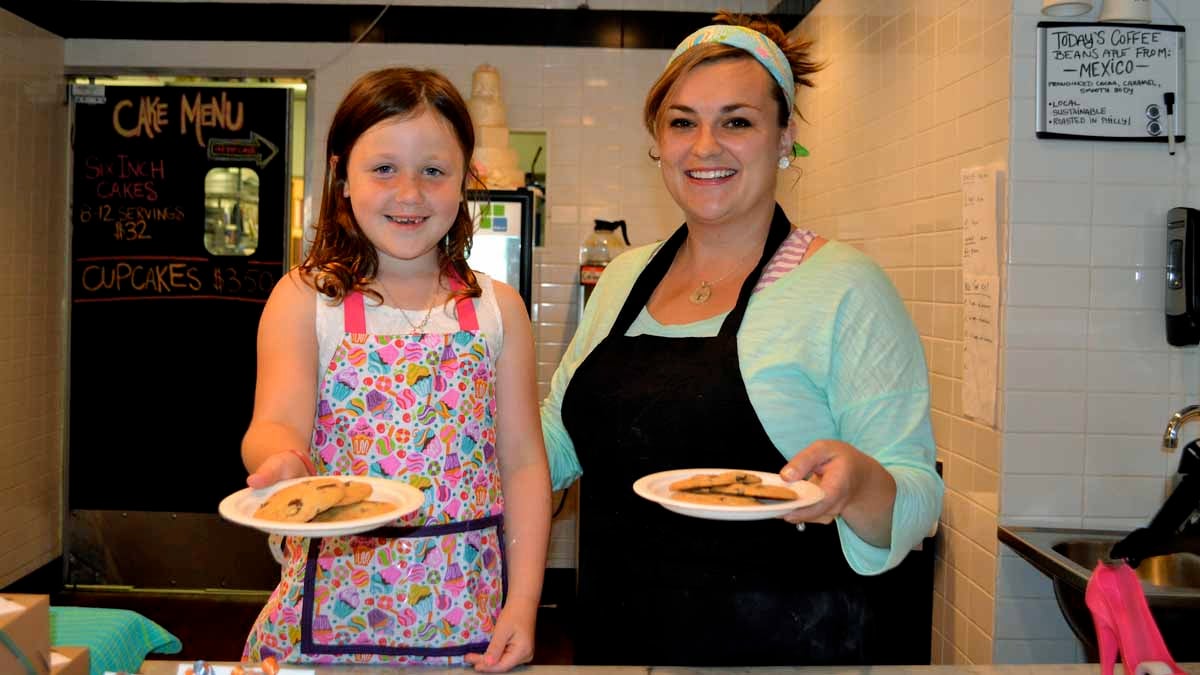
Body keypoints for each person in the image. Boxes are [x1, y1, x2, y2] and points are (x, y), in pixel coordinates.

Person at [540, 12, 944, 667]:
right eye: (682, 122)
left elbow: (918, 498)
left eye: (736, 122)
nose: (705, 147)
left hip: (787, 651)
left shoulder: (844, 286)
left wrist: (859, 484)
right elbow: (554, 446)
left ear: (785, 138)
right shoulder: (621, 280)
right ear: (657, 141)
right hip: (618, 648)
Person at [239, 66, 551, 672]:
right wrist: (279, 460)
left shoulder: (499, 310)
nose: (410, 193)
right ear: (342, 176)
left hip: (470, 621)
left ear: (465, 180)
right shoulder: (306, 300)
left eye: (434, 171)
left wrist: (524, 603)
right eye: (384, 168)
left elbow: (523, 464)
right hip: (327, 615)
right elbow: (273, 423)